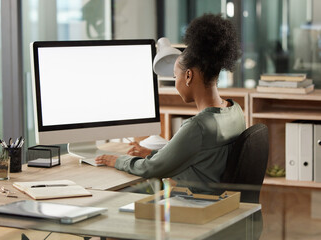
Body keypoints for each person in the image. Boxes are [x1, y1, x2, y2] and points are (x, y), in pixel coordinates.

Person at [95, 14, 246, 194]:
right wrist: (150, 155)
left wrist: (117, 161)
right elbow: (195, 156)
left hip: (194, 205)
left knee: (122, 195)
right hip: (217, 205)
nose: (175, 83)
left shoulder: (198, 127)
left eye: (175, 76)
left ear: (188, 76)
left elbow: (151, 169)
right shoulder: (235, 110)